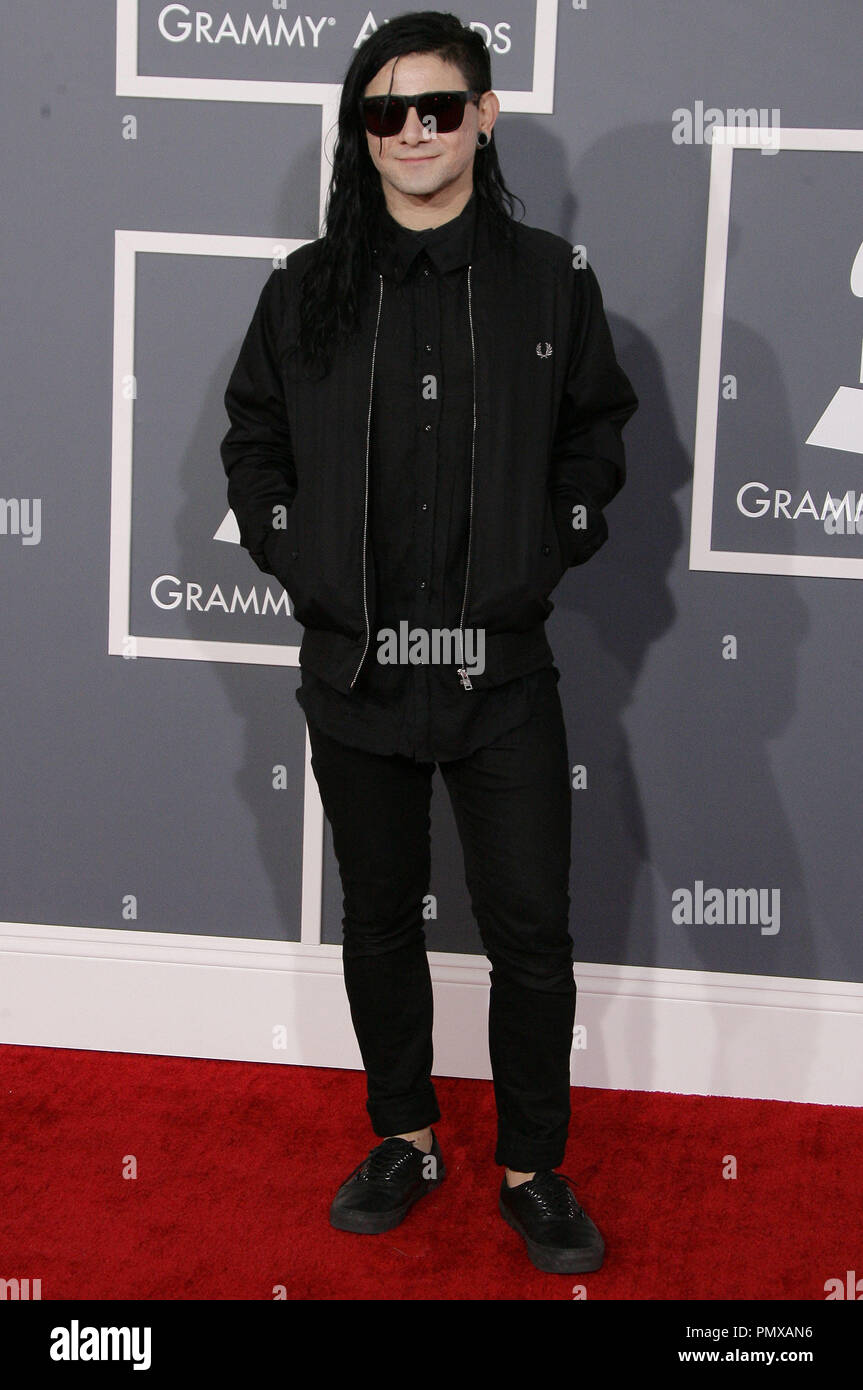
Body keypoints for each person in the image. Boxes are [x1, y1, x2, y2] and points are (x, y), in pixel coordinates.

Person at [220, 9, 638, 1275]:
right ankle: (405, 1135)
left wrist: (543, 548)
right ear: (362, 131)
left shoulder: (549, 280)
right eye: (386, 111)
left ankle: (532, 1169)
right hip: (354, 674)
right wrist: (296, 557)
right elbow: (253, 446)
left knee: (529, 931)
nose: (412, 130)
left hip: (498, 671)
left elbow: (595, 435)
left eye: (437, 106)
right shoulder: (303, 291)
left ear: (482, 116)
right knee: (381, 921)